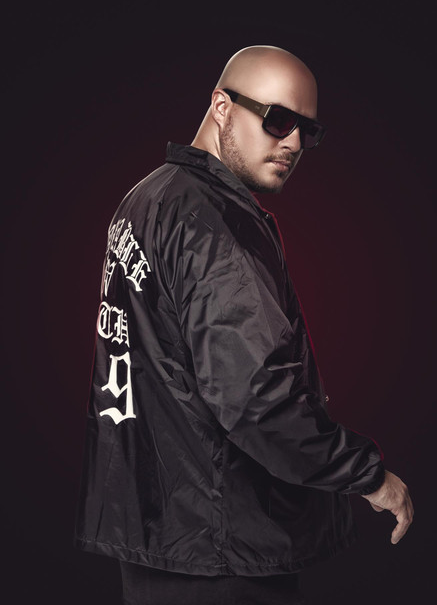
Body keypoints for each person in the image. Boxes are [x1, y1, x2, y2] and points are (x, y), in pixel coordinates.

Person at [74, 45, 414, 605]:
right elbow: (257, 399)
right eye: (278, 119)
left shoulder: (145, 199)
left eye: (307, 129)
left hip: (160, 537)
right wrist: (367, 475)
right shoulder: (213, 224)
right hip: (223, 546)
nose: (293, 143)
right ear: (221, 106)